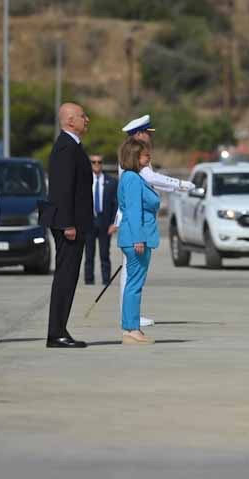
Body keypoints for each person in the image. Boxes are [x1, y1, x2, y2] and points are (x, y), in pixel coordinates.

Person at [109, 115, 194, 328]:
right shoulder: (135, 159)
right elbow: (152, 180)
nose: (150, 137)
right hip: (134, 224)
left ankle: (129, 315)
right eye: (147, 133)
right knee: (131, 275)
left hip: (133, 221)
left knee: (130, 274)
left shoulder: (135, 156)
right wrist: (181, 184)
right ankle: (130, 317)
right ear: (139, 134)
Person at [40, 102, 93, 348]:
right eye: (83, 116)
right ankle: (56, 333)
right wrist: (67, 224)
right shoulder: (66, 147)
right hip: (68, 225)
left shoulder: (73, 146)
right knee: (65, 277)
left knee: (69, 278)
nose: (87, 119)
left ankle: (59, 329)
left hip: (74, 223)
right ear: (70, 121)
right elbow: (62, 190)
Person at [116, 137, 160, 345]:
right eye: (144, 154)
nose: (148, 157)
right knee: (134, 285)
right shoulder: (133, 179)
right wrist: (139, 238)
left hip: (133, 236)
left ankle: (131, 327)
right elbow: (134, 211)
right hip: (137, 237)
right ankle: (131, 329)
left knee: (133, 284)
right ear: (134, 156)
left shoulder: (131, 177)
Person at [85, 154, 118, 285]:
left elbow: (116, 204)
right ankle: (89, 280)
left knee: (104, 253)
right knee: (89, 254)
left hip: (105, 222)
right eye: (93, 162)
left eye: (99, 162)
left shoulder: (111, 182)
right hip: (89, 221)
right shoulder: (85, 181)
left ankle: (106, 280)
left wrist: (114, 223)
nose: (96, 164)